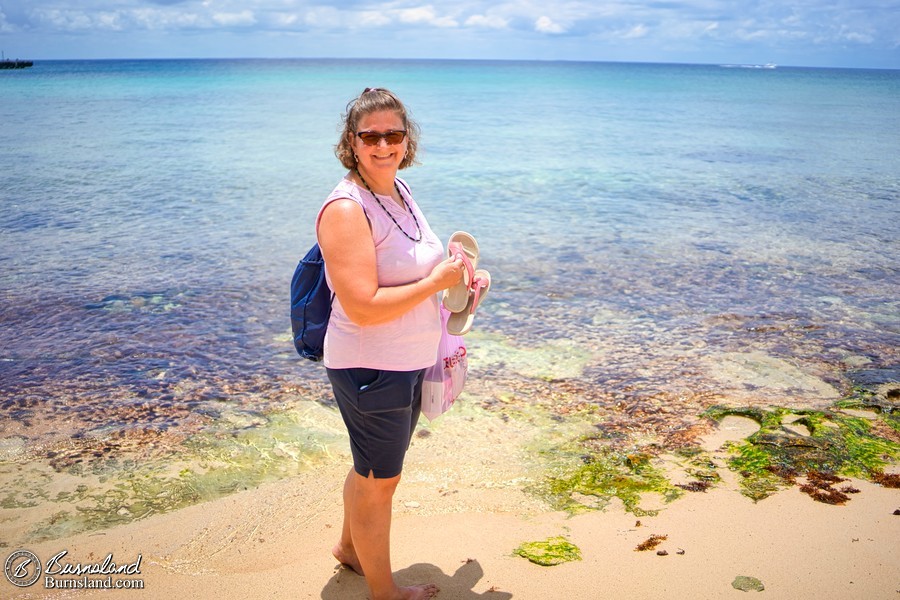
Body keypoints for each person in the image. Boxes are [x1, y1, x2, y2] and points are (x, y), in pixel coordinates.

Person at [316, 87, 464, 600]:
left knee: (371, 468)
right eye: (370, 136)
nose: (383, 145)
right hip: (369, 366)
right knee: (381, 481)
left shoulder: (399, 191)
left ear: (407, 140)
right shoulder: (346, 207)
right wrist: (436, 283)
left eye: (393, 135)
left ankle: (350, 550)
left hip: (406, 361)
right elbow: (361, 304)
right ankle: (385, 593)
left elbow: (419, 272)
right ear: (351, 143)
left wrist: (461, 283)